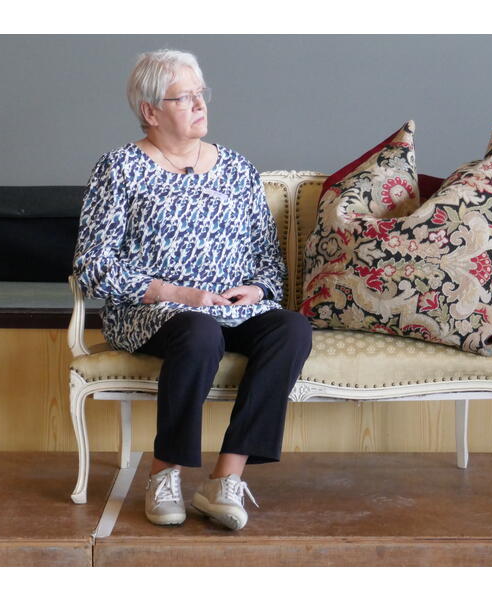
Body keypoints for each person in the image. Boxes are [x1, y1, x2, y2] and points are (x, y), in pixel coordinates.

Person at [72, 49, 312, 531]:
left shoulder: (237, 169)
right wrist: (176, 294)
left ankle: (225, 479)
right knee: (199, 332)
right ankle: (165, 474)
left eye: (201, 94)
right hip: (152, 313)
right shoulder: (120, 168)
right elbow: (92, 266)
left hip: (232, 308)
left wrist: (256, 288)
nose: (200, 105)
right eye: (184, 98)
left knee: (291, 329)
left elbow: (268, 257)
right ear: (150, 111)